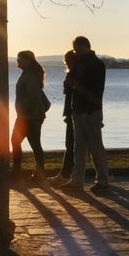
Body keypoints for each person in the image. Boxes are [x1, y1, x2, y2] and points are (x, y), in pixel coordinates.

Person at [61, 35, 111, 193]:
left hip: (91, 111)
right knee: (79, 147)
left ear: (84, 47)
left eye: (76, 49)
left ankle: (103, 180)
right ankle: (77, 180)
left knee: (96, 146)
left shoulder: (96, 64)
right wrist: (73, 67)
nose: (75, 52)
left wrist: (90, 109)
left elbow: (96, 89)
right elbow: (68, 85)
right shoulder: (80, 64)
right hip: (78, 110)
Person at [10, 50, 50, 183]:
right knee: (31, 143)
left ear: (27, 60)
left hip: (29, 116)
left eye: (19, 58)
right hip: (30, 115)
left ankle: (19, 173)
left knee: (23, 142)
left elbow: (33, 95)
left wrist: (22, 109)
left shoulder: (30, 75)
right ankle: (34, 173)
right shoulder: (28, 73)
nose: (17, 61)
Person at [55, 50, 79, 183]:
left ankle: (65, 174)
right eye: (66, 61)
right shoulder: (74, 73)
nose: (67, 63)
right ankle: (66, 173)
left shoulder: (74, 74)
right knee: (72, 144)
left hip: (73, 111)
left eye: (68, 60)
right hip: (70, 111)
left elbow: (69, 92)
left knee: (70, 143)